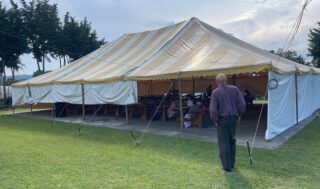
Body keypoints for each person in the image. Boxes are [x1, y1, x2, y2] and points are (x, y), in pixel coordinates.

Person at [209, 73, 246, 172]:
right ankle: (232, 163)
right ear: (226, 80)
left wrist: (215, 120)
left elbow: (213, 110)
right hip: (233, 118)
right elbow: (242, 104)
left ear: (217, 82)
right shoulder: (235, 89)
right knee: (232, 141)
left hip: (222, 120)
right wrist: (239, 115)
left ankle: (226, 166)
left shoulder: (215, 92)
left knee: (223, 143)